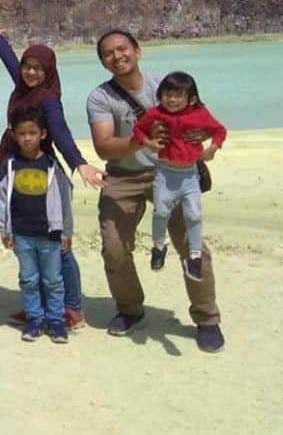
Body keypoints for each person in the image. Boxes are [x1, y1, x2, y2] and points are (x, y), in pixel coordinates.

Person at [87, 29, 225, 353]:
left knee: (192, 245)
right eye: (108, 53)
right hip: (121, 177)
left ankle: (207, 319)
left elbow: (203, 119)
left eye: (123, 49)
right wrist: (140, 140)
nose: (117, 56)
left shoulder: (167, 86)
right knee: (114, 247)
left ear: (138, 51)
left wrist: (202, 142)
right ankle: (130, 309)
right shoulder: (100, 97)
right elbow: (104, 147)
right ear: (103, 62)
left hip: (171, 173)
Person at [0, 30, 106, 331]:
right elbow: (12, 65)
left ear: (49, 71)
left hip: (41, 170)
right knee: (26, 237)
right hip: (17, 166)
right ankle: (37, 308)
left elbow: (61, 132)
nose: (30, 72)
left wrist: (78, 163)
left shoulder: (48, 100)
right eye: (28, 66)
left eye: (38, 68)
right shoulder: (23, 84)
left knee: (57, 243)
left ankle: (73, 308)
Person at [132, 71, 227, 282]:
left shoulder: (199, 113)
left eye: (178, 96)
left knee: (194, 216)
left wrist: (212, 148)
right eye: (167, 94)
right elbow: (138, 129)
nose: (172, 100)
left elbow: (220, 131)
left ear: (191, 99)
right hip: (165, 175)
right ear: (160, 95)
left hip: (190, 176)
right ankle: (158, 247)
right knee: (160, 213)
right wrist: (148, 143)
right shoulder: (156, 113)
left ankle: (194, 257)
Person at [0, 106, 73, 343]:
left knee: (53, 280)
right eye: (22, 133)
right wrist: (4, 230)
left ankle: (57, 320)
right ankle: (34, 318)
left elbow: (65, 198)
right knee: (28, 279)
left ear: (43, 134)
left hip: (49, 234)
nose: (27, 138)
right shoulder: (10, 165)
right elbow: (0, 198)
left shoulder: (52, 166)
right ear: (14, 135)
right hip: (21, 234)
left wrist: (67, 231)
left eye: (32, 132)